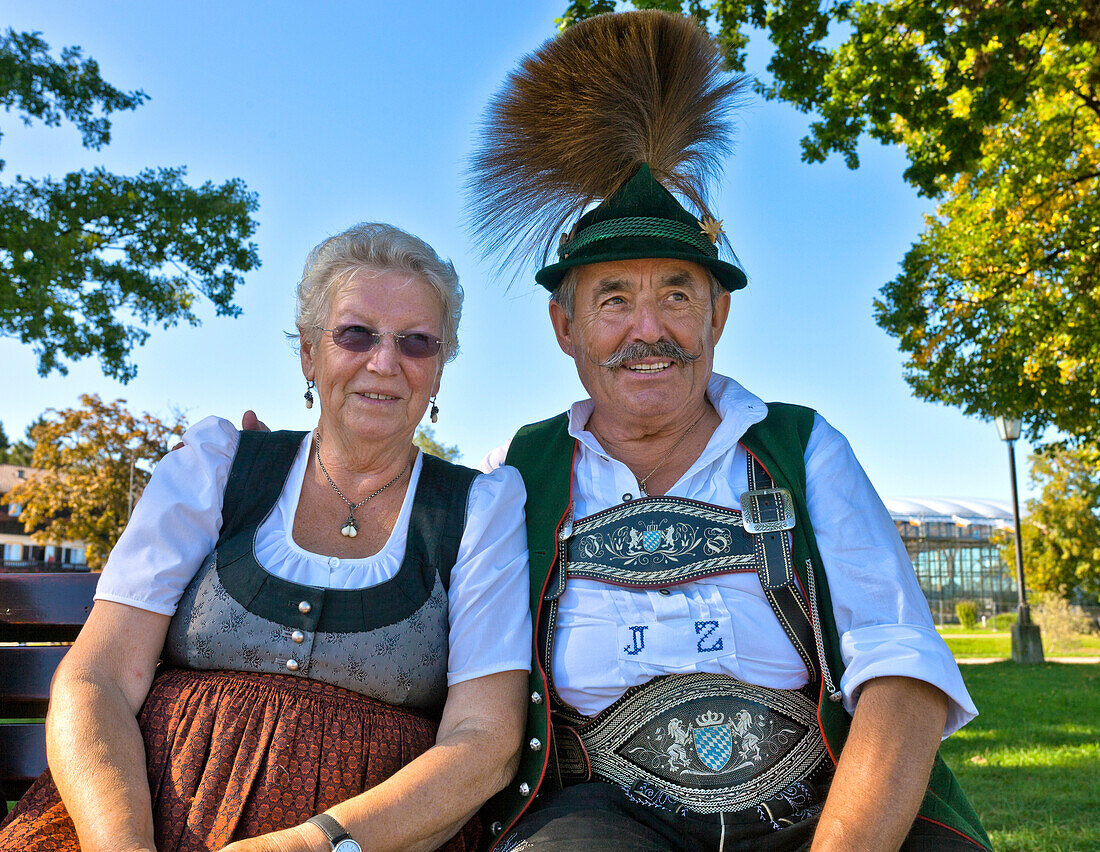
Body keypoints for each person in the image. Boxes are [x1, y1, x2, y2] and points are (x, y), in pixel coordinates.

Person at [465, 12, 991, 851]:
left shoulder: (801, 446)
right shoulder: (518, 472)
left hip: (822, 806)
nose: (650, 330)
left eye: (677, 294)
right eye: (613, 300)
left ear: (719, 313)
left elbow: (900, 667)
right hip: (601, 820)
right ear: (565, 328)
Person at [0, 223, 532, 852]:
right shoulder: (217, 468)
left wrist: (315, 844)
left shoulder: (478, 511)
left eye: (417, 343)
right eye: (354, 334)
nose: (384, 361)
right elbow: (99, 679)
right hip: (137, 822)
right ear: (310, 352)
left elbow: (485, 741)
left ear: (439, 372)